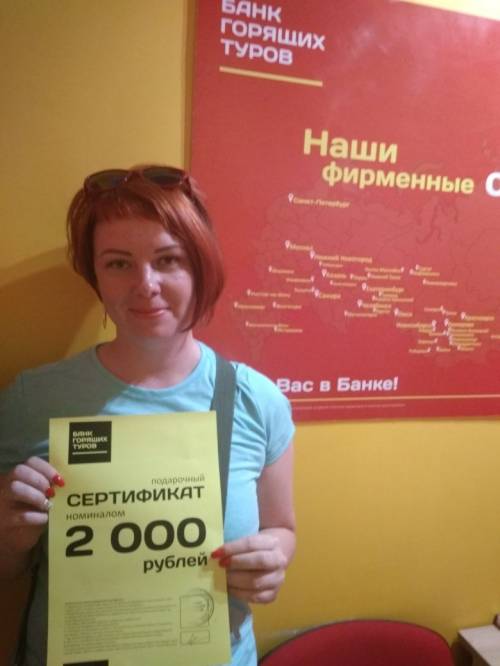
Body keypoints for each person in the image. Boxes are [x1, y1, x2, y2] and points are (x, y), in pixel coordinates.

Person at [0, 165, 296, 666]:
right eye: (118, 263)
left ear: (200, 266)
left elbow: (283, 529)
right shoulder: (34, 399)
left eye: (168, 259)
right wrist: (9, 535)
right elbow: (7, 570)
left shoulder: (256, 400)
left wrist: (272, 559)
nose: (146, 284)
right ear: (95, 276)